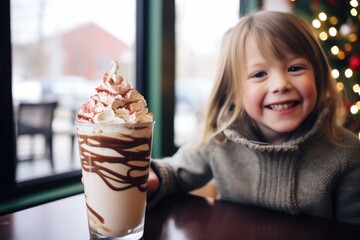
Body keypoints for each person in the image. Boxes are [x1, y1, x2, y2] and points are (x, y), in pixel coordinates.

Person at [147, 10, 360, 225]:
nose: (280, 85)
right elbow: (174, 172)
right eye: (259, 74)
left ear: (319, 77)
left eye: (295, 68)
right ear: (233, 92)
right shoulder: (219, 140)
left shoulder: (347, 154)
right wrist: (154, 178)